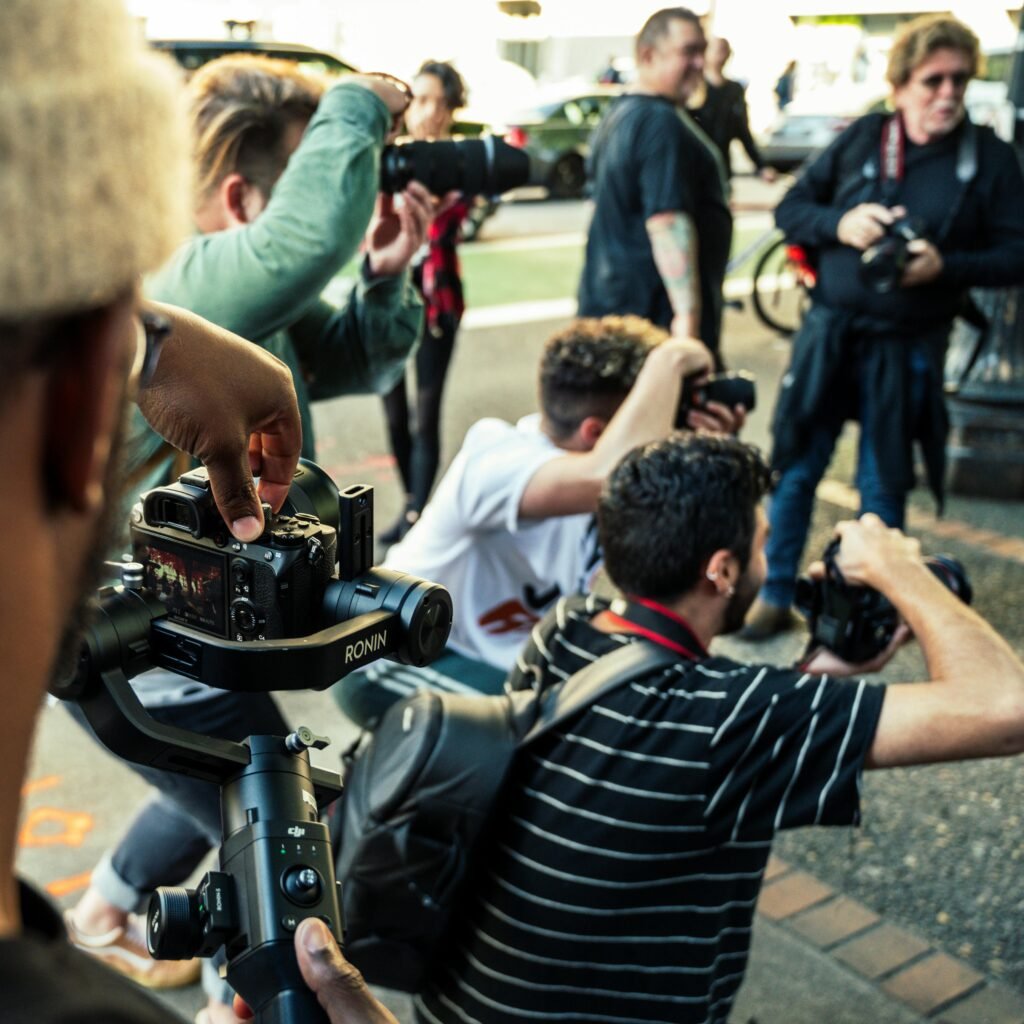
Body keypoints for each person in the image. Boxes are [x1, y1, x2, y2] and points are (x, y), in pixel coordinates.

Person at [0, 2, 404, 1022]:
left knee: (232, 790)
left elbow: (352, 352)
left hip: (165, 655)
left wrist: (392, 278)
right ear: (99, 385)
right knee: (255, 809)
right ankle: (157, 931)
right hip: (166, 653)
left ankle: (117, 911)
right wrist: (360, 103)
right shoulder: (210, 277)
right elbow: (308, 240)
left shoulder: (222, 309)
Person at [414, 432, 1024, 1024]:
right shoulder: (733, 719)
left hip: (453, 1005)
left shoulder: (564, 632)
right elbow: (1004, 709)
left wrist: (816, 677)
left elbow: (677, 742)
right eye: (762, 544)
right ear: (722, 570)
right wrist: (899, 571)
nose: (768, 559)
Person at [742, 14, 1024, 640]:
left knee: (882, 484)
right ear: (900, 86)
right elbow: (792, 208)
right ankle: (776, 590)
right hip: (831, 334)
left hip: (907, 347)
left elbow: (1016, 254)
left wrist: (944, 265)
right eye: (932, 81)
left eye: (958, 80)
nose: (947, 93)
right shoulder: (866, 137)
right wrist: (841, 224)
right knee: (796, 465)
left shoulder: (989, 159)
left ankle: (865, 614)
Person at [336, 316, 743, 726]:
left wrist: (711, 455)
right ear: (595, 433)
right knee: (558, 728)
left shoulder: (607, 475)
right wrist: (671, 359)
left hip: (493, 657)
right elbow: (609, 473)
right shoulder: (497, 460)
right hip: (388, 655)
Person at [578, 7, 732, 365]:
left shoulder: (619, 115)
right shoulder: (659, 123)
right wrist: (687, 327)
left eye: (702, 51)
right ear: (647, 55)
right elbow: (666, 224)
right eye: (688, 52)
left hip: (616, 318)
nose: (700, 63)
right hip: (654, 329)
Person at [379, 61, 472, 544]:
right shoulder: (388, 156)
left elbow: (448, 216)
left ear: (453, 109)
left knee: (425, 413)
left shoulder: (457, 161)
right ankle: (412, 502)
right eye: (422, 99)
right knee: (393, 411)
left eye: (441, 102)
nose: (430, 111)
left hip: (438, 300)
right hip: (389, 301)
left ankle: (417, 515)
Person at [689, 36, 775, 181]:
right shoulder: (694, 88)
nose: (721, 55)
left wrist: (761, 166)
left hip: (722, 166)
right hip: (695, 167)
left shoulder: (734, 90)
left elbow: (743, 131)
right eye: (717, 50)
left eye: (725, 50)